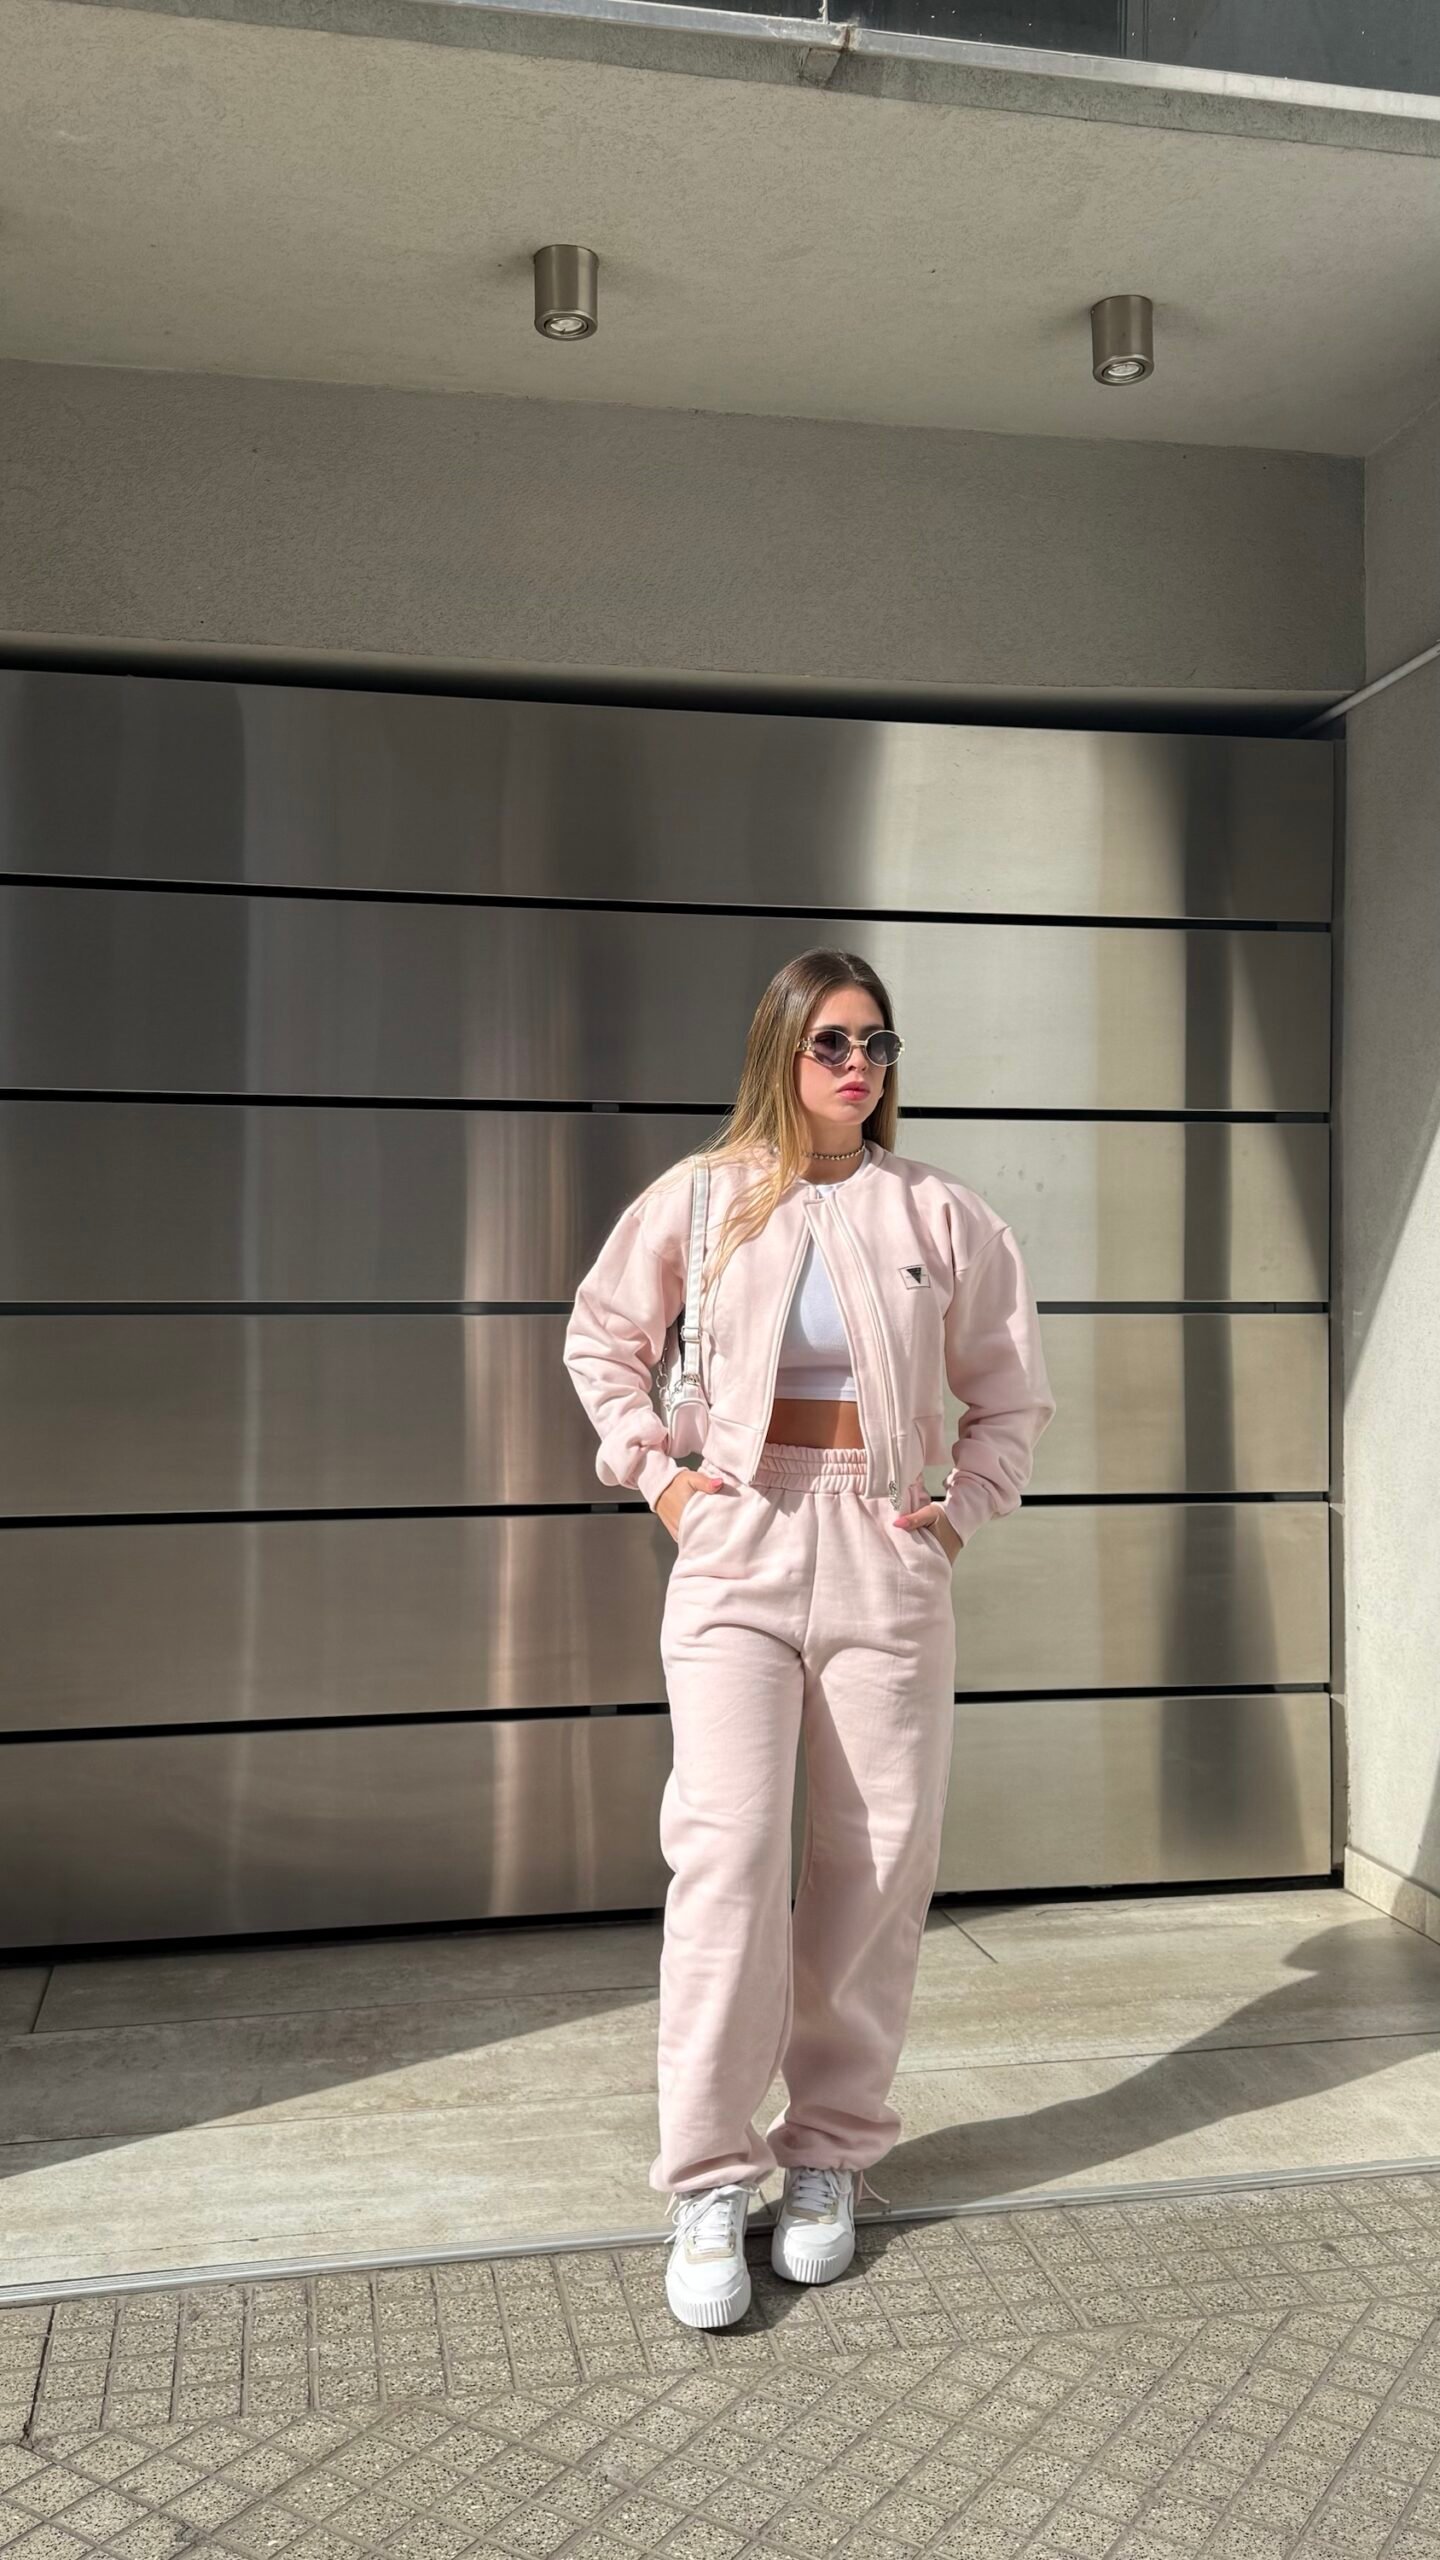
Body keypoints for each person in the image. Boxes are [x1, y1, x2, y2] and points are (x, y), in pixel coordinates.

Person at [563, 948, 1055, 2330]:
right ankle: (708, 2178)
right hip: (739, 1544)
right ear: (780, 1050)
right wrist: (664, 1482)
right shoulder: (701, 1197)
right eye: (831, 1041)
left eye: (877, 1044)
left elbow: (1012, 1394)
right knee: (727, 1856)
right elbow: (604, 1341)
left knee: (879, 1860)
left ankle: (830, 2151)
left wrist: (956, 1515)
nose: (857, 1066)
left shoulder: (938, 1212)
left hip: (884, 1549)